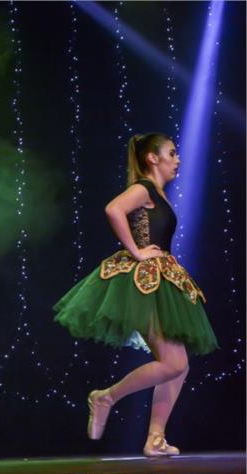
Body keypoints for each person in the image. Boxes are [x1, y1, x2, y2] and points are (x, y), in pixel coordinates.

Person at [54, 132, 218, 456]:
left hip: (161, 279)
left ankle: (155, 437)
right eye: (172, 153)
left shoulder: (158, 192)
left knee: (179, 365)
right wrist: (137, 251)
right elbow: (114, 209)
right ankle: (106, 397)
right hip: (144, 282)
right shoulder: (144, 188)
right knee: (173, 363)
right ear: (152, 158)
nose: (178, 159)